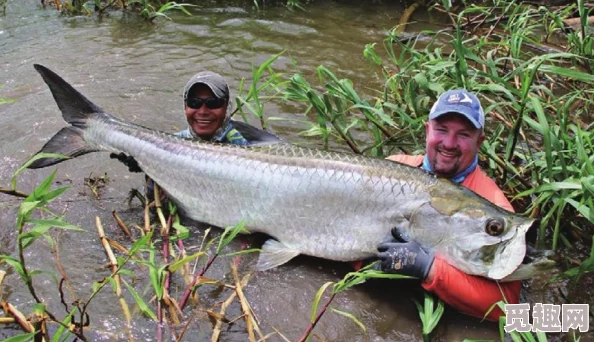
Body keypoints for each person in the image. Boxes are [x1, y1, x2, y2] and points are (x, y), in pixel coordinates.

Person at [374, 89, 521, 322]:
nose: (449, 143)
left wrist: (429, 269)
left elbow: (507, 307)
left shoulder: (494, 208)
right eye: (441, 130)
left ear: (479, 141)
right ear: (427, 130)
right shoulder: (390, 169)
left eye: (463, 134)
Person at [111, 70, 282, 173]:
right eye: (194, 103)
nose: (203, 112)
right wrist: (147, 168)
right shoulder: (171, 145)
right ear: (185, 107)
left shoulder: (243, 143)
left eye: (213, 103)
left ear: (226, 108)